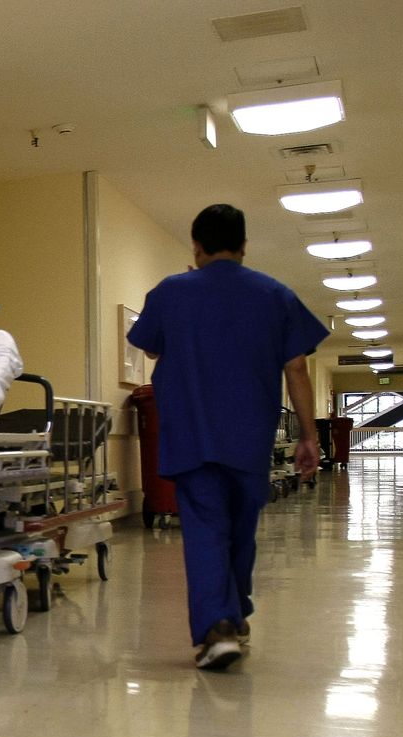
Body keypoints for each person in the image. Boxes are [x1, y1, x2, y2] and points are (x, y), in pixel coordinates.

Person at [126, 204, 325, 670]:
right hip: (249, 437)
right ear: (243, 246)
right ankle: (232, 617)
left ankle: (220, 625)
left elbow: (152, 344)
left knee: (205, 529)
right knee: (240, 531)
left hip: (192, 434)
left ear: (195, 246)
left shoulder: (170, 292)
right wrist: (309, 436)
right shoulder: (275, 294)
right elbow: (296, 366)